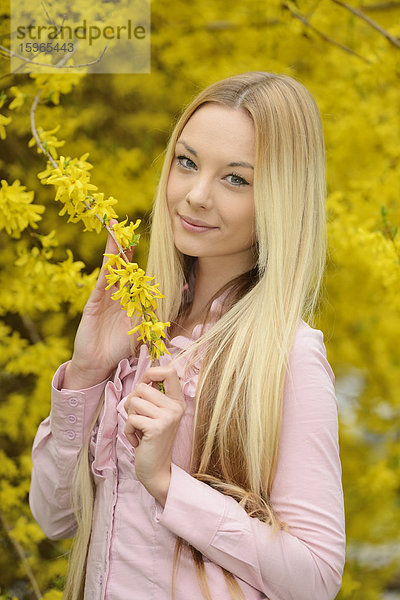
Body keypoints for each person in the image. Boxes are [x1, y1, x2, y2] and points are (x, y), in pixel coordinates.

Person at [29, 71, 346, 600]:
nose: (195, 196)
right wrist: (86, 373)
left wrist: (169, 484)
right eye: (187, 162)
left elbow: (315, 579)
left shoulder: (288, 357)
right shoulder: (140, 330)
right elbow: (54, 517)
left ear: (281, 198)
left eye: (236, 179)